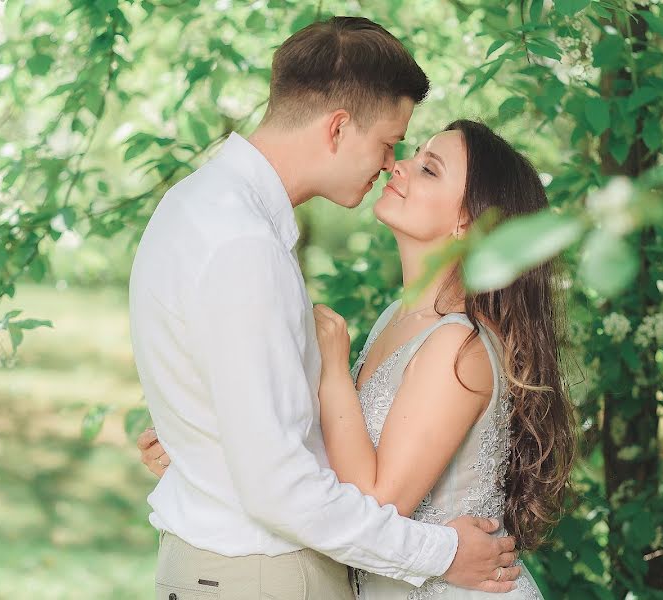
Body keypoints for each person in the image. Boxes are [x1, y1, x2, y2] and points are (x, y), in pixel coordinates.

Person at [129, 16, 519, 600]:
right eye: (389, 144)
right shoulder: (245, 245)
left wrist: (203, 446)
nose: (392, 164)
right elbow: (278, 486)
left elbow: (273, 436)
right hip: (260, 575)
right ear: (338, 128)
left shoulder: (196, 204)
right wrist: (442, 552)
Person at [312, 120, 577, 598]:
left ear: (468, 223)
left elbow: (378, 508)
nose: (398, 165)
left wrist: (333, 371)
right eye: (413, 153)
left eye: (429, 169)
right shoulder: (397, 316)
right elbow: (342, 456)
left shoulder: (459, 345)